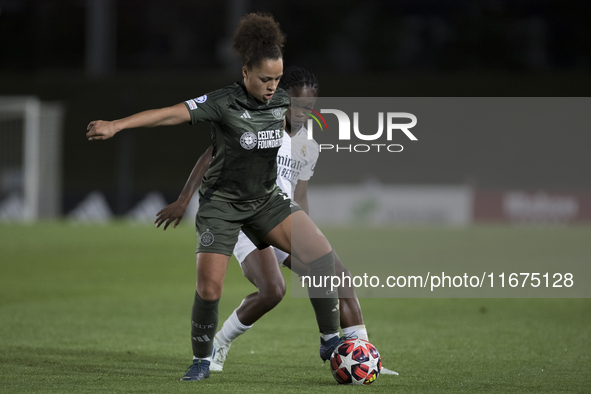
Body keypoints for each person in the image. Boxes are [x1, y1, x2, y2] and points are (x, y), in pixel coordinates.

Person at [86, 13, 342, 382]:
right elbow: (170, 115)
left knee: (323, 260)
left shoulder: (283, 102)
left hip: (268, 202)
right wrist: (117, 125)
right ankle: (202, 360)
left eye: (277, 79)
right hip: (223, 208)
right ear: (245, 73)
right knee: (209, 289)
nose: (272, 87)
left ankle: (330, 341)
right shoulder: (223, 103)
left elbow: (305, 125)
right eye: (264, 79)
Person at [155, 66, 398, 375]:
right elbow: (211, 155)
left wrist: (304, 233)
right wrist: (184, 198)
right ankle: (219, 344)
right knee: (273, 290)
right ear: (284, 100)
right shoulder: (260, 124)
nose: (302, 113)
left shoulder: (309, 145)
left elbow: (301, 194)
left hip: (278, 216)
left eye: (309, 107)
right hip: (244, 219)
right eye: (296, 105)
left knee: (340, 276)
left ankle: (362, 355)